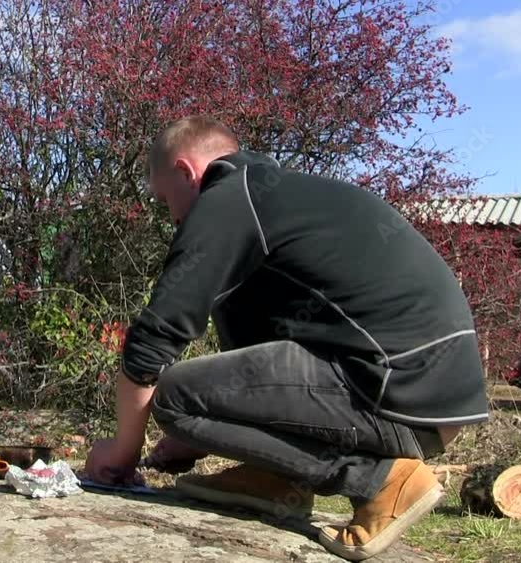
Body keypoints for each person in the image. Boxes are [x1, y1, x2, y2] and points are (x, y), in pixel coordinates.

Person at [82, 115, 489, 561]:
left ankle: (380, 480)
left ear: (185, 171)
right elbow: (260, 363)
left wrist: (122, 453)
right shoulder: (279, 201)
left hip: (397, 389)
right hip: (432, 397)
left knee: (173, 395)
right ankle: (276, 477)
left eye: (164, 199)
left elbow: (152, 343)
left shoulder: (228, 199)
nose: (172, 216)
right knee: (197, 388)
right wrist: (203, 433)